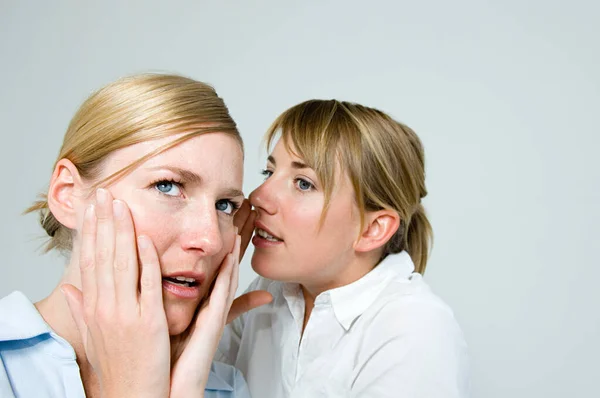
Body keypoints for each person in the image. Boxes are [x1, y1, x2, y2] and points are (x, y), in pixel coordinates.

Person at [0, 74, 256, 398]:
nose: (210, 241)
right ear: (67, 195)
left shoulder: (226, 389)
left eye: (225, 205)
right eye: (167, 186)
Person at [217, 100, 470, 397]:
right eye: (269, 172)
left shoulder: (415, 329)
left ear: (372, 229)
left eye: (303, 183)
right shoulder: (268, 293)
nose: (258, 196)